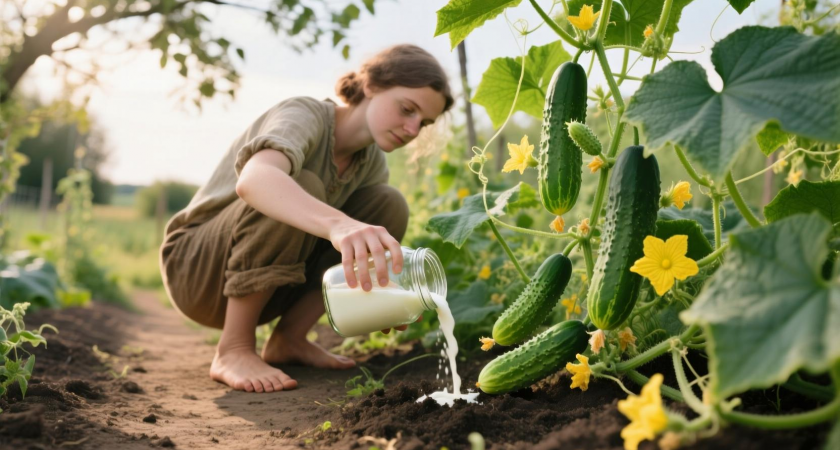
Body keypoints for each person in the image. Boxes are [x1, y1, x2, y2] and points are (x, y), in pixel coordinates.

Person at [159, 44, 453, 393]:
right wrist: (340, 226)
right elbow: (254, 181)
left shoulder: (371, 162)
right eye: (407, 109)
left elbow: (356, 252)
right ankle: (234, 348)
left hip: (274, 289)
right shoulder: (304, 114)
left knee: (389, 206)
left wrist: (382, 295)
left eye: (424, 123)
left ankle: (289, 338)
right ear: (372, 85)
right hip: (196, 269)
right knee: (298, 184)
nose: (412, 128)